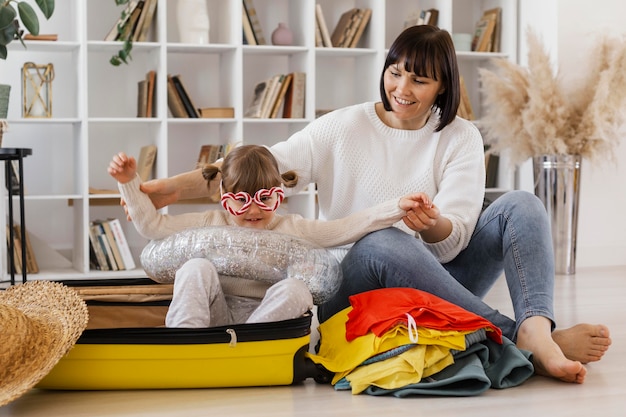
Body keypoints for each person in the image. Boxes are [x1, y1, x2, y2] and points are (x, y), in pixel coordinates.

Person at [125, 25, 611, 383]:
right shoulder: (342, 127)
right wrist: (165, 190)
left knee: (522, 203)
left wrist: (434, 226)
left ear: (443, 86)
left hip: (440, 271)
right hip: (356, 280)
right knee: (381, 239)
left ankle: (535, 327)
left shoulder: (460, 137)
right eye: (395, 73)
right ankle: (513, 335)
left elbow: (457, 235)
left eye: (419, 81)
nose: (401, 89)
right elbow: (257, 167)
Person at [108, 144, 432, 328]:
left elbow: (344, 228)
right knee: (195, 268)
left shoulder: (290, 228)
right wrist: (129, 181)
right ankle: (184, 344)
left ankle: (249, 348)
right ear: (223, 196)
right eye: (240, 200)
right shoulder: (210, 222)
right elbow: (152, 227)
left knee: (296, 289)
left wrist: (396, 207)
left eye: (265, 198)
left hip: (265, 321)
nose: (254, 210)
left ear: (280, 195)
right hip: (216, 314)